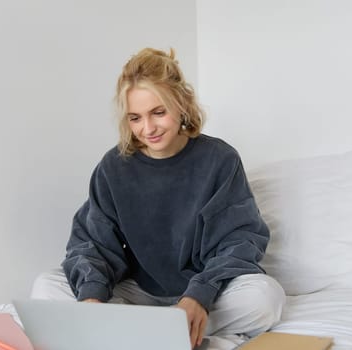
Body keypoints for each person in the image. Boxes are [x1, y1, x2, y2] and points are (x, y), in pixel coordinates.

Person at [30, 47, 284, 349]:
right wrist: (92, 297)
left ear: (181, 104)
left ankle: (152, 330)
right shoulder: (113, 167)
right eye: (135, 118)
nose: (147, 129)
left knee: (266, 299)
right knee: (45, 287)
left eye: (158, 112)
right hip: (138, 291)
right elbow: (92, 244)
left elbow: (240, 240)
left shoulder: (219, 159)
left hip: (204, 290)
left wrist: (199, 294)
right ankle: (168, 331)